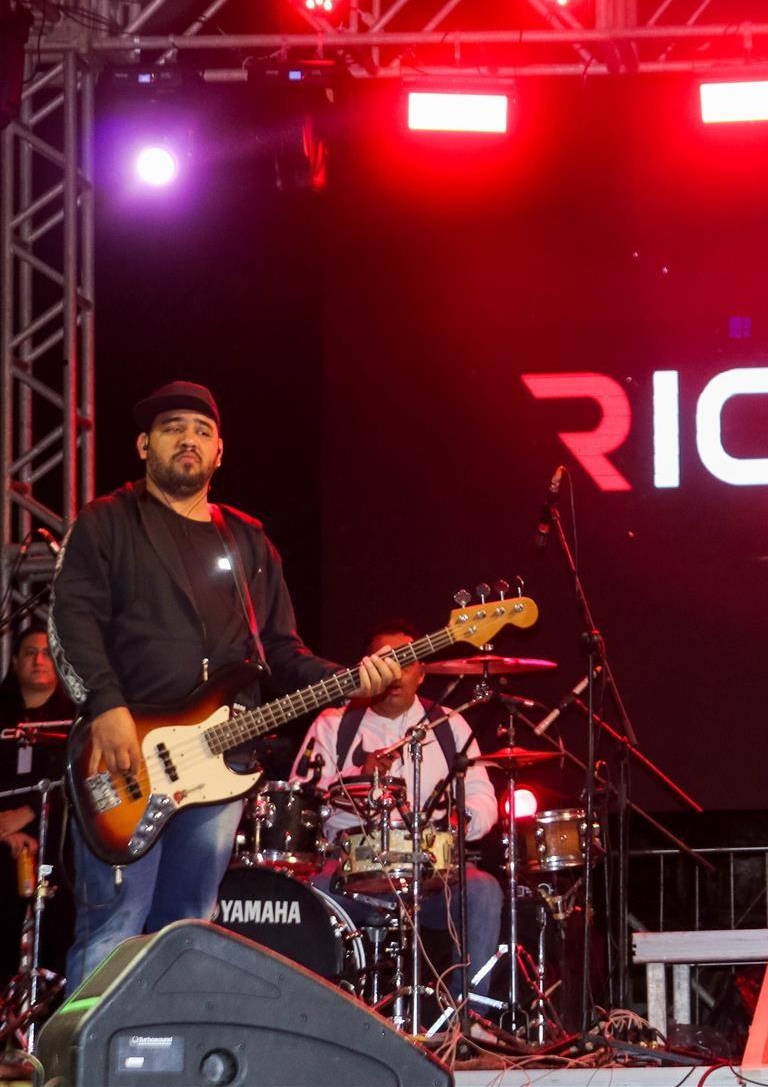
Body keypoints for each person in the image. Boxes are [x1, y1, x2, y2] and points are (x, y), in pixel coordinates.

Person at [48, 380, 401, 987]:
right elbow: (72, 617)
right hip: (127, 751)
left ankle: (171, 1046)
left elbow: (281, 652)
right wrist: (105, 706)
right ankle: (92, 1046)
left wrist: (350, 682)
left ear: (219, 452)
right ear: (143, 446)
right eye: (172, 428)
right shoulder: (107, 521)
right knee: (115, 925)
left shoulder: (247, 541)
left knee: (190, 927)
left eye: (202, 431)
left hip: (221, 762)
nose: (188, 438)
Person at [295, 618, 503, 999]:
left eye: (405, 662)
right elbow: (301, 799)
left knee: (483, 891)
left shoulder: (450, 726)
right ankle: (317, 1007)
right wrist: (359, 778)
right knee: (307, 892)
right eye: (383, 662)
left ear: (421, 674)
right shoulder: (333, 724)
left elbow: (482, 797)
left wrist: (459, 821)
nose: (393, 673)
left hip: (432, 875)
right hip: (350, 874)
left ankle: (469, 1014)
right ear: (366, 669)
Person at [0, 629, 74, 967]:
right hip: (4, 841)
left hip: (55, 845)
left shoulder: (77, 718)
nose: (38, 660)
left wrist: (29, 813)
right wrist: (5, 830)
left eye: (47, 653)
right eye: (30, 652)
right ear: (15, 661)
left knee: (59, 934)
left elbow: (80, 780)